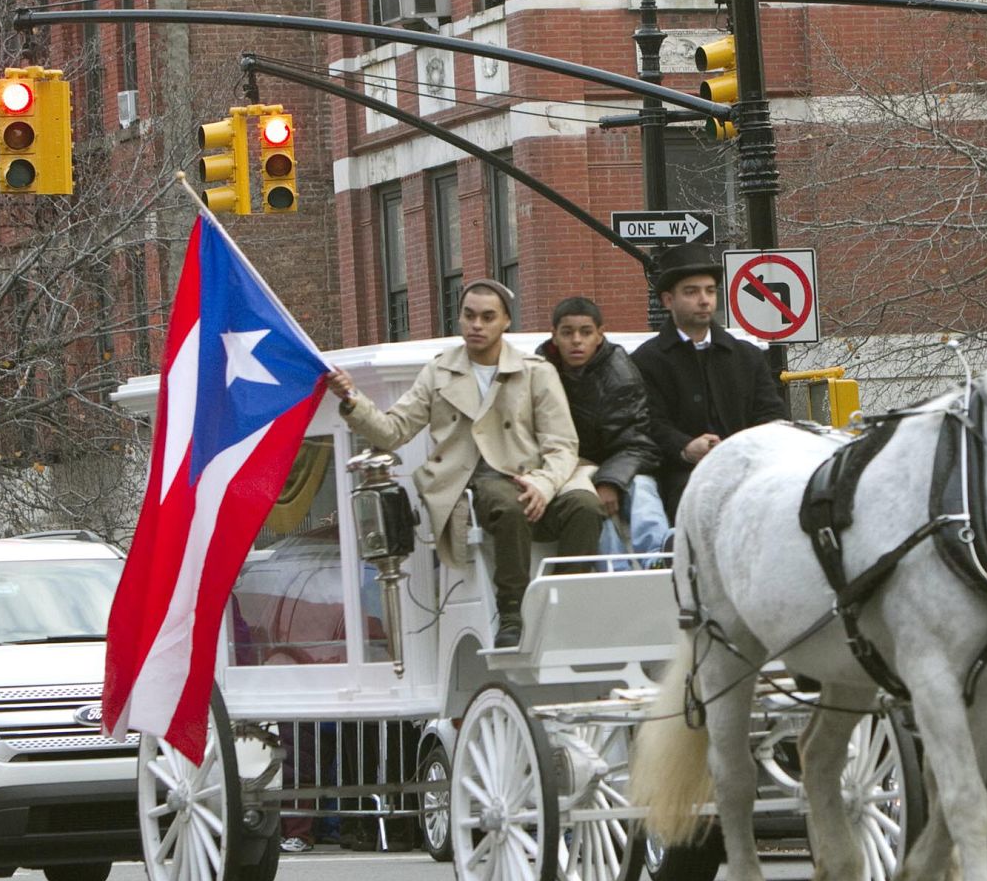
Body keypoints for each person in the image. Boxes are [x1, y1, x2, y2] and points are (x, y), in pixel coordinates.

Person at [324, 279, 602, 646]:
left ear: (506, 322)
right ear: (459, 319)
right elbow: (393, 431)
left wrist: (544, 483)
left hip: (533, 475)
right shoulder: (439, 372)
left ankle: (570, 607)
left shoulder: (535, 371)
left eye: (488, 317)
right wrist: (351, 398)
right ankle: (512, 615)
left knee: (584, 504)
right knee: (507, 504)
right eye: (469, 316)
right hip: (472, 480)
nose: (477, 325)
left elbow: (562, 443)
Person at [631, 244, 787, 520]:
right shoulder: (647, 360)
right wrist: (685, 447)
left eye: (710, 290)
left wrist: (742, 449)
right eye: (691, 292)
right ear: (668, 300)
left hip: (749, 470)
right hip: (681, 476)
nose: (704, 300)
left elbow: (771, 414)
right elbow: (648, 423)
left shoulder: (747, 356)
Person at [536, 296, 669, 558]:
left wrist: (610, 481)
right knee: (590, 501)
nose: (576, 340)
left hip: (618, 462)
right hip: (564, 467)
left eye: (585, 332)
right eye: (567, 332)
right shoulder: (537, 372)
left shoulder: (620, 374)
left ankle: (659, 557)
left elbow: (637, 442)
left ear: (599, 335)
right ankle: (612, 571)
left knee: (642, 488)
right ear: (554, 336)